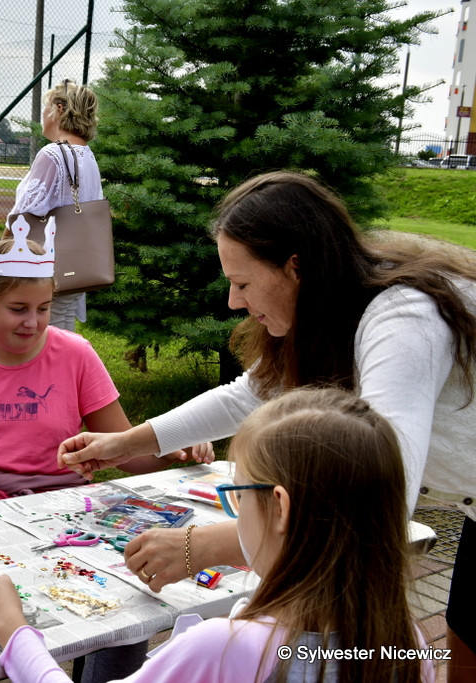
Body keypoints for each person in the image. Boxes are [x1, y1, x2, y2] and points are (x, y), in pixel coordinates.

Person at [58, 171, 476, 681]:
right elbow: (246, 395)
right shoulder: (327, 307)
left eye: (243, 282)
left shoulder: (403, 320)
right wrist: (128, 442)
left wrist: (203, 545)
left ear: (295, 267)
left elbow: (378, 499)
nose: (234, 301)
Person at [0, 387, 434, 682]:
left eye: (239, 494)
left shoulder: (222, 649)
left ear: (279, 507)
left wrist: (15, 632)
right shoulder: (406, 644)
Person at [0, 218, 206, 507]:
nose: (32, 323)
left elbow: (124, 450)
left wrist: (174, 447)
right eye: (18, 309)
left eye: (43, 308)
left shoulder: (76, 355)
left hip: (59, 504)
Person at [8, 78, 102, 332]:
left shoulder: (52, 153)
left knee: (46, 334)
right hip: (77, 265)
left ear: (59, 109)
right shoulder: (87, 155)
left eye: (45, 107)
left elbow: (25, 213)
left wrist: (1, 249)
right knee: (62, 330)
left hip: (46, 263)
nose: (43, 116)